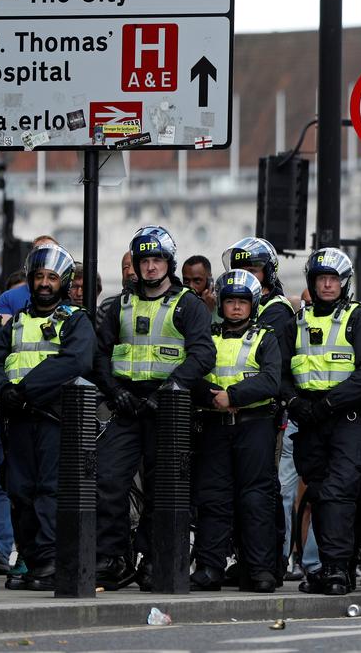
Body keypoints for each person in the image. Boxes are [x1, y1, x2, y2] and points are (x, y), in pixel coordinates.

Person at [93, 225, 215, 591]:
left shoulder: (187, 304)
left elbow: (203, 353)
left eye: (157, 259)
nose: (150, 267)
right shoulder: (119, 305)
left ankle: (152, 558)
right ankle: (113, 558)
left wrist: (170, 390)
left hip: (168, 406)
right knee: (108, 479)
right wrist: (115, 391)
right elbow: (99, 355)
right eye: (144, 260)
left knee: (163, 490)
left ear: (169, 263)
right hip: (126, 404)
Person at [0, 244, 94, 591]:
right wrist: (5, 391)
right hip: (20, 419)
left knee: (49, 491)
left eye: (52, 277)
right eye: (39, 276)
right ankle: (31, 559)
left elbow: (75, 362)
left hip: (54, 419)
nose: (44, 283)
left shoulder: (76, 320)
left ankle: (49, 561)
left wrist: (24, 389)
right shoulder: (15, 324)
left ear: (65, 282)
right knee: (20, 491)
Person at [287, 248, 361, 595]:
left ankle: (337, 570)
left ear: (344, 283)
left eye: (332, 279)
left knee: (338, 494)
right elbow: (282, 369)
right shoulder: (296, 320)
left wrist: (329, 402)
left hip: (349, 421)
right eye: (320, 279)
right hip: (310, 421)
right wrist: (295, 402)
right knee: (318, 493)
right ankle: (330, 568)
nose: (326, 285)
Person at [189, 269, 282, 593]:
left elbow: (272, 380)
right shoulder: (208, 336)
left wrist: (234, 396)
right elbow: (191, 372)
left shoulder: (265, 337)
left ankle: (259, 571)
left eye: (243, 301)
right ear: (222, 304)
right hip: (214, 426)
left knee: (255, 500)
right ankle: (209, 567)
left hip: (253, 426)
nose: (237, 308)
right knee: (213, 499)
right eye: (231, 301)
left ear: (253, 304)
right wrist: (213, 397)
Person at [221, 237, 295, 581]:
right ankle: (248, 559)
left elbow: (274, 371)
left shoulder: (276, 310)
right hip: (227, 412)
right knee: (234, 492)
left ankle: (271, 561)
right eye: (241, 270)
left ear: (268, 272)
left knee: (263, 492)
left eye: (253, 270)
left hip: (263, 409)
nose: (247, 276)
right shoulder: (231, 305)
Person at [0, 235, 58, 320]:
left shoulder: (70, 295)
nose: (45, 260)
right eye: (39, 254)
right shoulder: (8, 299)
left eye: (51, 254)